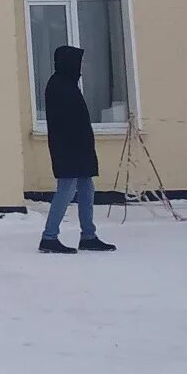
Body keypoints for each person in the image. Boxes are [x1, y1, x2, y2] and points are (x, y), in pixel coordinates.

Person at [40, 44, 116, 253]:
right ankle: (49, 237)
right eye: (77, 62)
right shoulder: (58, 85)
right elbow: (64, 122)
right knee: (66, 189)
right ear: (67, 63)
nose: (80, 67)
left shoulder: (68, 84)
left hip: (80, 147)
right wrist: (76, 144)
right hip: (67, 148)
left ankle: (88, 235)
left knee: (86, 187)